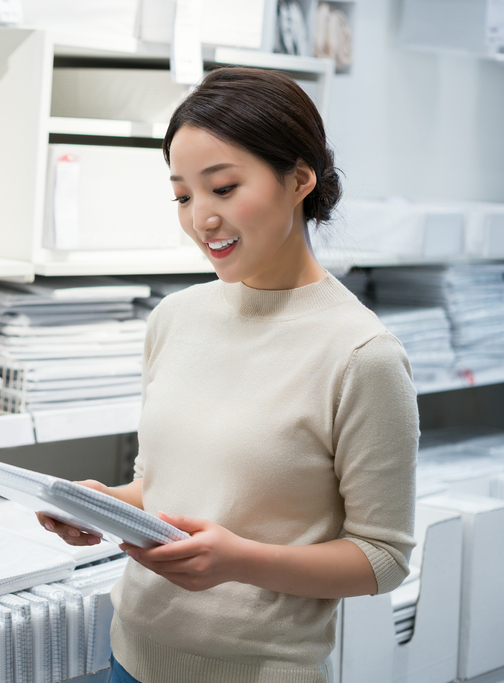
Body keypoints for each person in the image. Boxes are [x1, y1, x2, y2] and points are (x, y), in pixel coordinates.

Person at [38, 66, 418, 683]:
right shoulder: (175, 318)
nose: (201, 219)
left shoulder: (362, 354)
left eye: (223, 188)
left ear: (298, 180)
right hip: (129, 655)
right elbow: (161, 489)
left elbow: (382, 558)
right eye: (184, 196)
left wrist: (240, 561)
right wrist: (104, 507)